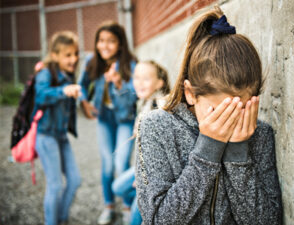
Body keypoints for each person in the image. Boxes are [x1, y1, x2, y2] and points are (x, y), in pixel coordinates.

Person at [135, 6, 282, 225]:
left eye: (238, 110)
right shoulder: (157, 127)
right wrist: (208, 149)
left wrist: (238, 154)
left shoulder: (259, 134)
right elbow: (158, 220)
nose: (230, 122)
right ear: (190, 94)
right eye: (220, 111)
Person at [78, 21, 137, 225]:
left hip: (124, 119)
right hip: (104, 119)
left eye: (111, 41)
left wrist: (119, 84)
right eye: (101, 40)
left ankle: (129, 204)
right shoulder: (91, 61)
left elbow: (133, 99)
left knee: (121, 163)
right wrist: (84, 103)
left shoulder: (130, 64)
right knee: (107, 165)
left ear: (120, 44)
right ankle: (109, 205)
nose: (104, 45)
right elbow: (81, 86)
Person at [112, 61, 170, 225]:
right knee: (117, 187)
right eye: (136, 78)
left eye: (146, 78)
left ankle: (151, 208)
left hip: (154, 173)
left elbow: (164, 150)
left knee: (134, 220)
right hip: (142, 167)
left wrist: (144, 177)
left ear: (160, 82)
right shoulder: (143, 103)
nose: (139, 83)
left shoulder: (161, 106)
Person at [33, 31, 82, 225]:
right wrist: (63, 90)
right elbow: (41, 96)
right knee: (54, 185)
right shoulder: (46, 73)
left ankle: (61, 219)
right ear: (55, 55)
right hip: (45, 136)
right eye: (68, 55)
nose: (74, 59)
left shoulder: (69, 74)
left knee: (75, 180)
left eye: (75, 54)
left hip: (61, 136)